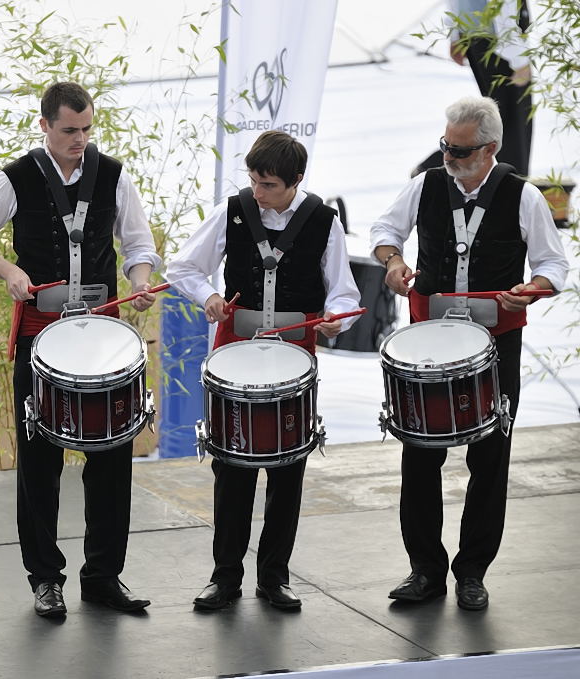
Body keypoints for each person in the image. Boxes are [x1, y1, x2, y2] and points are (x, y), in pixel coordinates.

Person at [0, 82, 162, 618]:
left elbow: (139, 245)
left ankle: (103, 576)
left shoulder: (114, 175)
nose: (80, 139)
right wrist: (9, 271)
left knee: (112, 456)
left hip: (102, 338)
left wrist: (141, 279)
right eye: (70, 130)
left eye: (87, 129)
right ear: (45, 125)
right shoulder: (16, 177)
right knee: (39, 460)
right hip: (41, 334)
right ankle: (45, 579)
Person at [371, 96, 568, 610]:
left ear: (490, 150)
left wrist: (532, 289)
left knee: (490, 459)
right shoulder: (425, 185)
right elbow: (385, 232)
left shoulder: (524, 196)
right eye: (445, 146)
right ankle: (425, 570)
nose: (448, 157)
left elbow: (553, 266)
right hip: (428, 346)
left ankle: (473, 572)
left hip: (494, 347)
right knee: (419, 455)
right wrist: (392, 262)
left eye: (459, 151)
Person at [166, 130, 361, 612]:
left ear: (296, 180)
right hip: (235, 352)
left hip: (295, 355)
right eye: (253, 180)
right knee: (231, 467)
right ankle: (224, 577)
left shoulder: (324, 222)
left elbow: (344, 293)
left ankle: (275, 577)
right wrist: (209, 295)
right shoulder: (233, 210)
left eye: (268, 184)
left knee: (288, 467)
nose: (257, 192)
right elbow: (183, 267)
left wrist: (337, 319)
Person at [414, 1, 532, 177]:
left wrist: (456, 34)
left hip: (476, 35)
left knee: (503, 117)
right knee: (512, 121)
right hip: (499, 40)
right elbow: (504, 9)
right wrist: (518, 57)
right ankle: (513, 184)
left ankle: (440, 165)